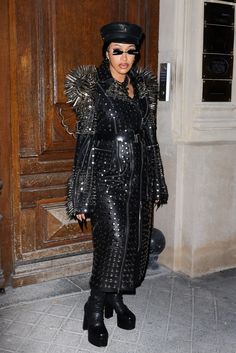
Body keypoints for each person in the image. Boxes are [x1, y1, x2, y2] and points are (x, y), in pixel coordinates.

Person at [65, 22, 168, 347]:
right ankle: (94, 308)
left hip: (138, 172)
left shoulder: (143, 89)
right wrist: (80, 194)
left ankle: (116, 299)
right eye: (117, 51)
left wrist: (156, 182)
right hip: (106, 174)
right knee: (115, 241)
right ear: (106, 52)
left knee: (135, 241)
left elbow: (151, 139)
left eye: (130, 51)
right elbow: (84, 142)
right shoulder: (92, 88)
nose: (125, 58)